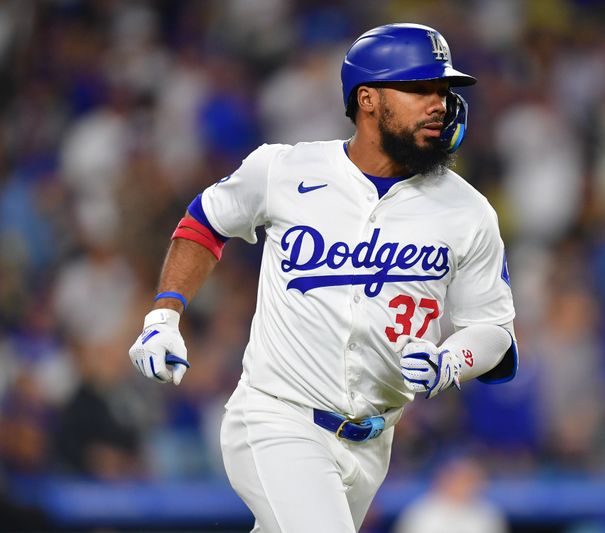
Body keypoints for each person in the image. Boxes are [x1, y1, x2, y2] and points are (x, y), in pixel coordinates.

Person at [128, 23, 517, 532]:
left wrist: (451, 360)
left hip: (373, 443)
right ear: (369, 99)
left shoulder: (468, 210)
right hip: (277, 418)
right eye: (420, 89)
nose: (439, 103)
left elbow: (495, 332)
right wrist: (164, 314)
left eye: (443, 91)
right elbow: (204, 222)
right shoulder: (285, 170)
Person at [392, 456, 509, 533]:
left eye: (470, 480)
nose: (464, 486)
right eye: (459, 479)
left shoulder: (488, 513)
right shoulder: (421, 512)